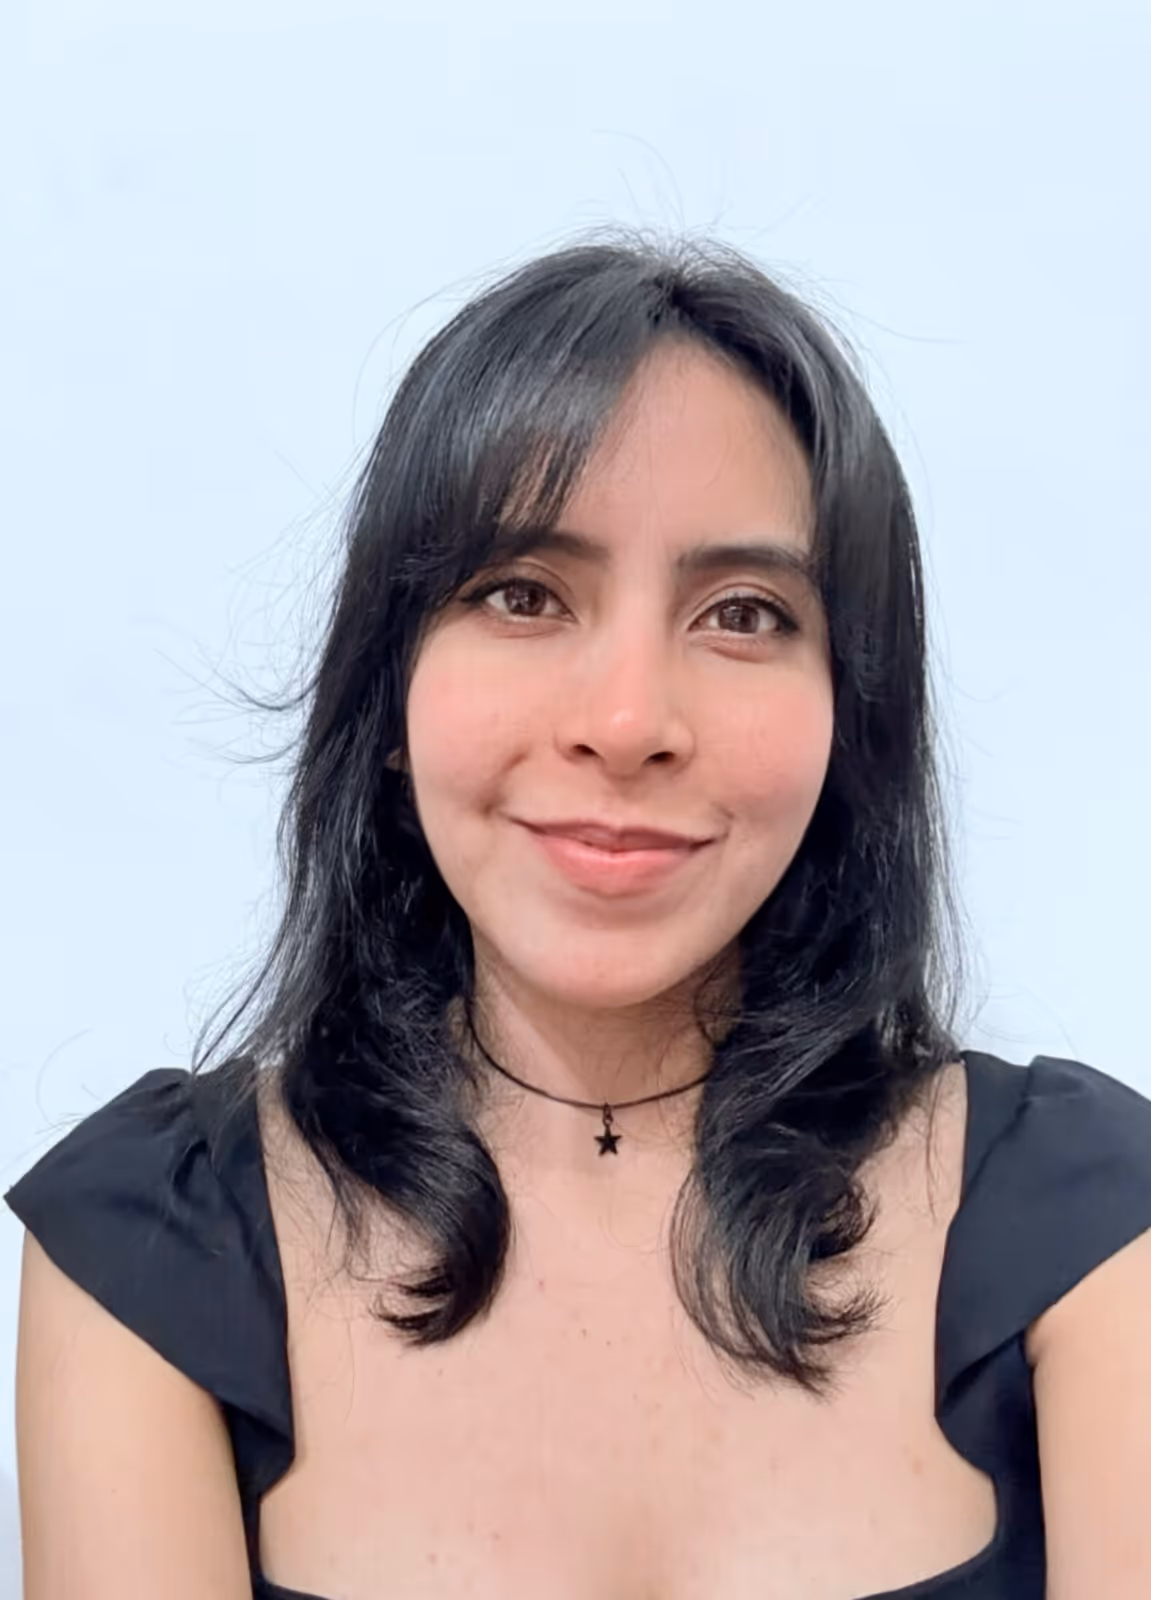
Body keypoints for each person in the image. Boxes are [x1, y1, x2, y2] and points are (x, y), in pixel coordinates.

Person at [6, 228, 1151, 1600]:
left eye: (740, 614)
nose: (625, 723)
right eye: (522, 594)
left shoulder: (1089, 1221)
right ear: (389, 691)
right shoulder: (157, 1247)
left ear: (851, 715)